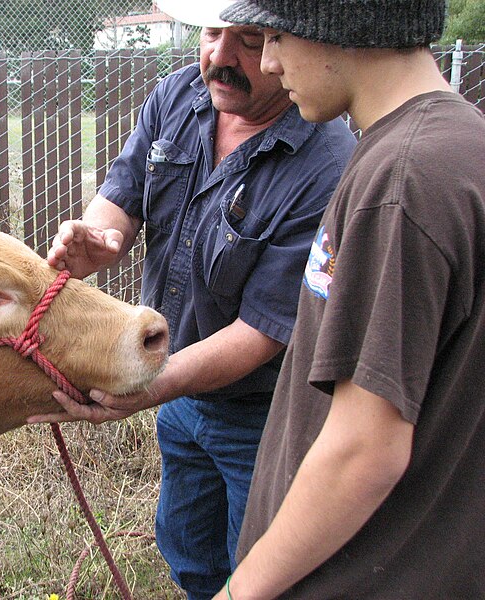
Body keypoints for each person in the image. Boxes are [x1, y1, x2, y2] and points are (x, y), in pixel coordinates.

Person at [29, 2, 356, 598]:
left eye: (250, 41)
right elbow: (122, 191)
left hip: (262, 412)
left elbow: (264, 329)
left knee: (260, 566)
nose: (219, 58)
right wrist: (101, 238)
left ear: (290, 43)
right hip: (179, 382)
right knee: (186, 546)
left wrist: (149, 387)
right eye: (210, 34)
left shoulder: (326, 163)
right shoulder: (178, 94)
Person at [205, 0, 485, 598]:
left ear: (339, 26)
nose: (271, 64)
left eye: (274, 35)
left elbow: (366, 448)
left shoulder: (403, 180)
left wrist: (239, 592)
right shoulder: (457, 143)